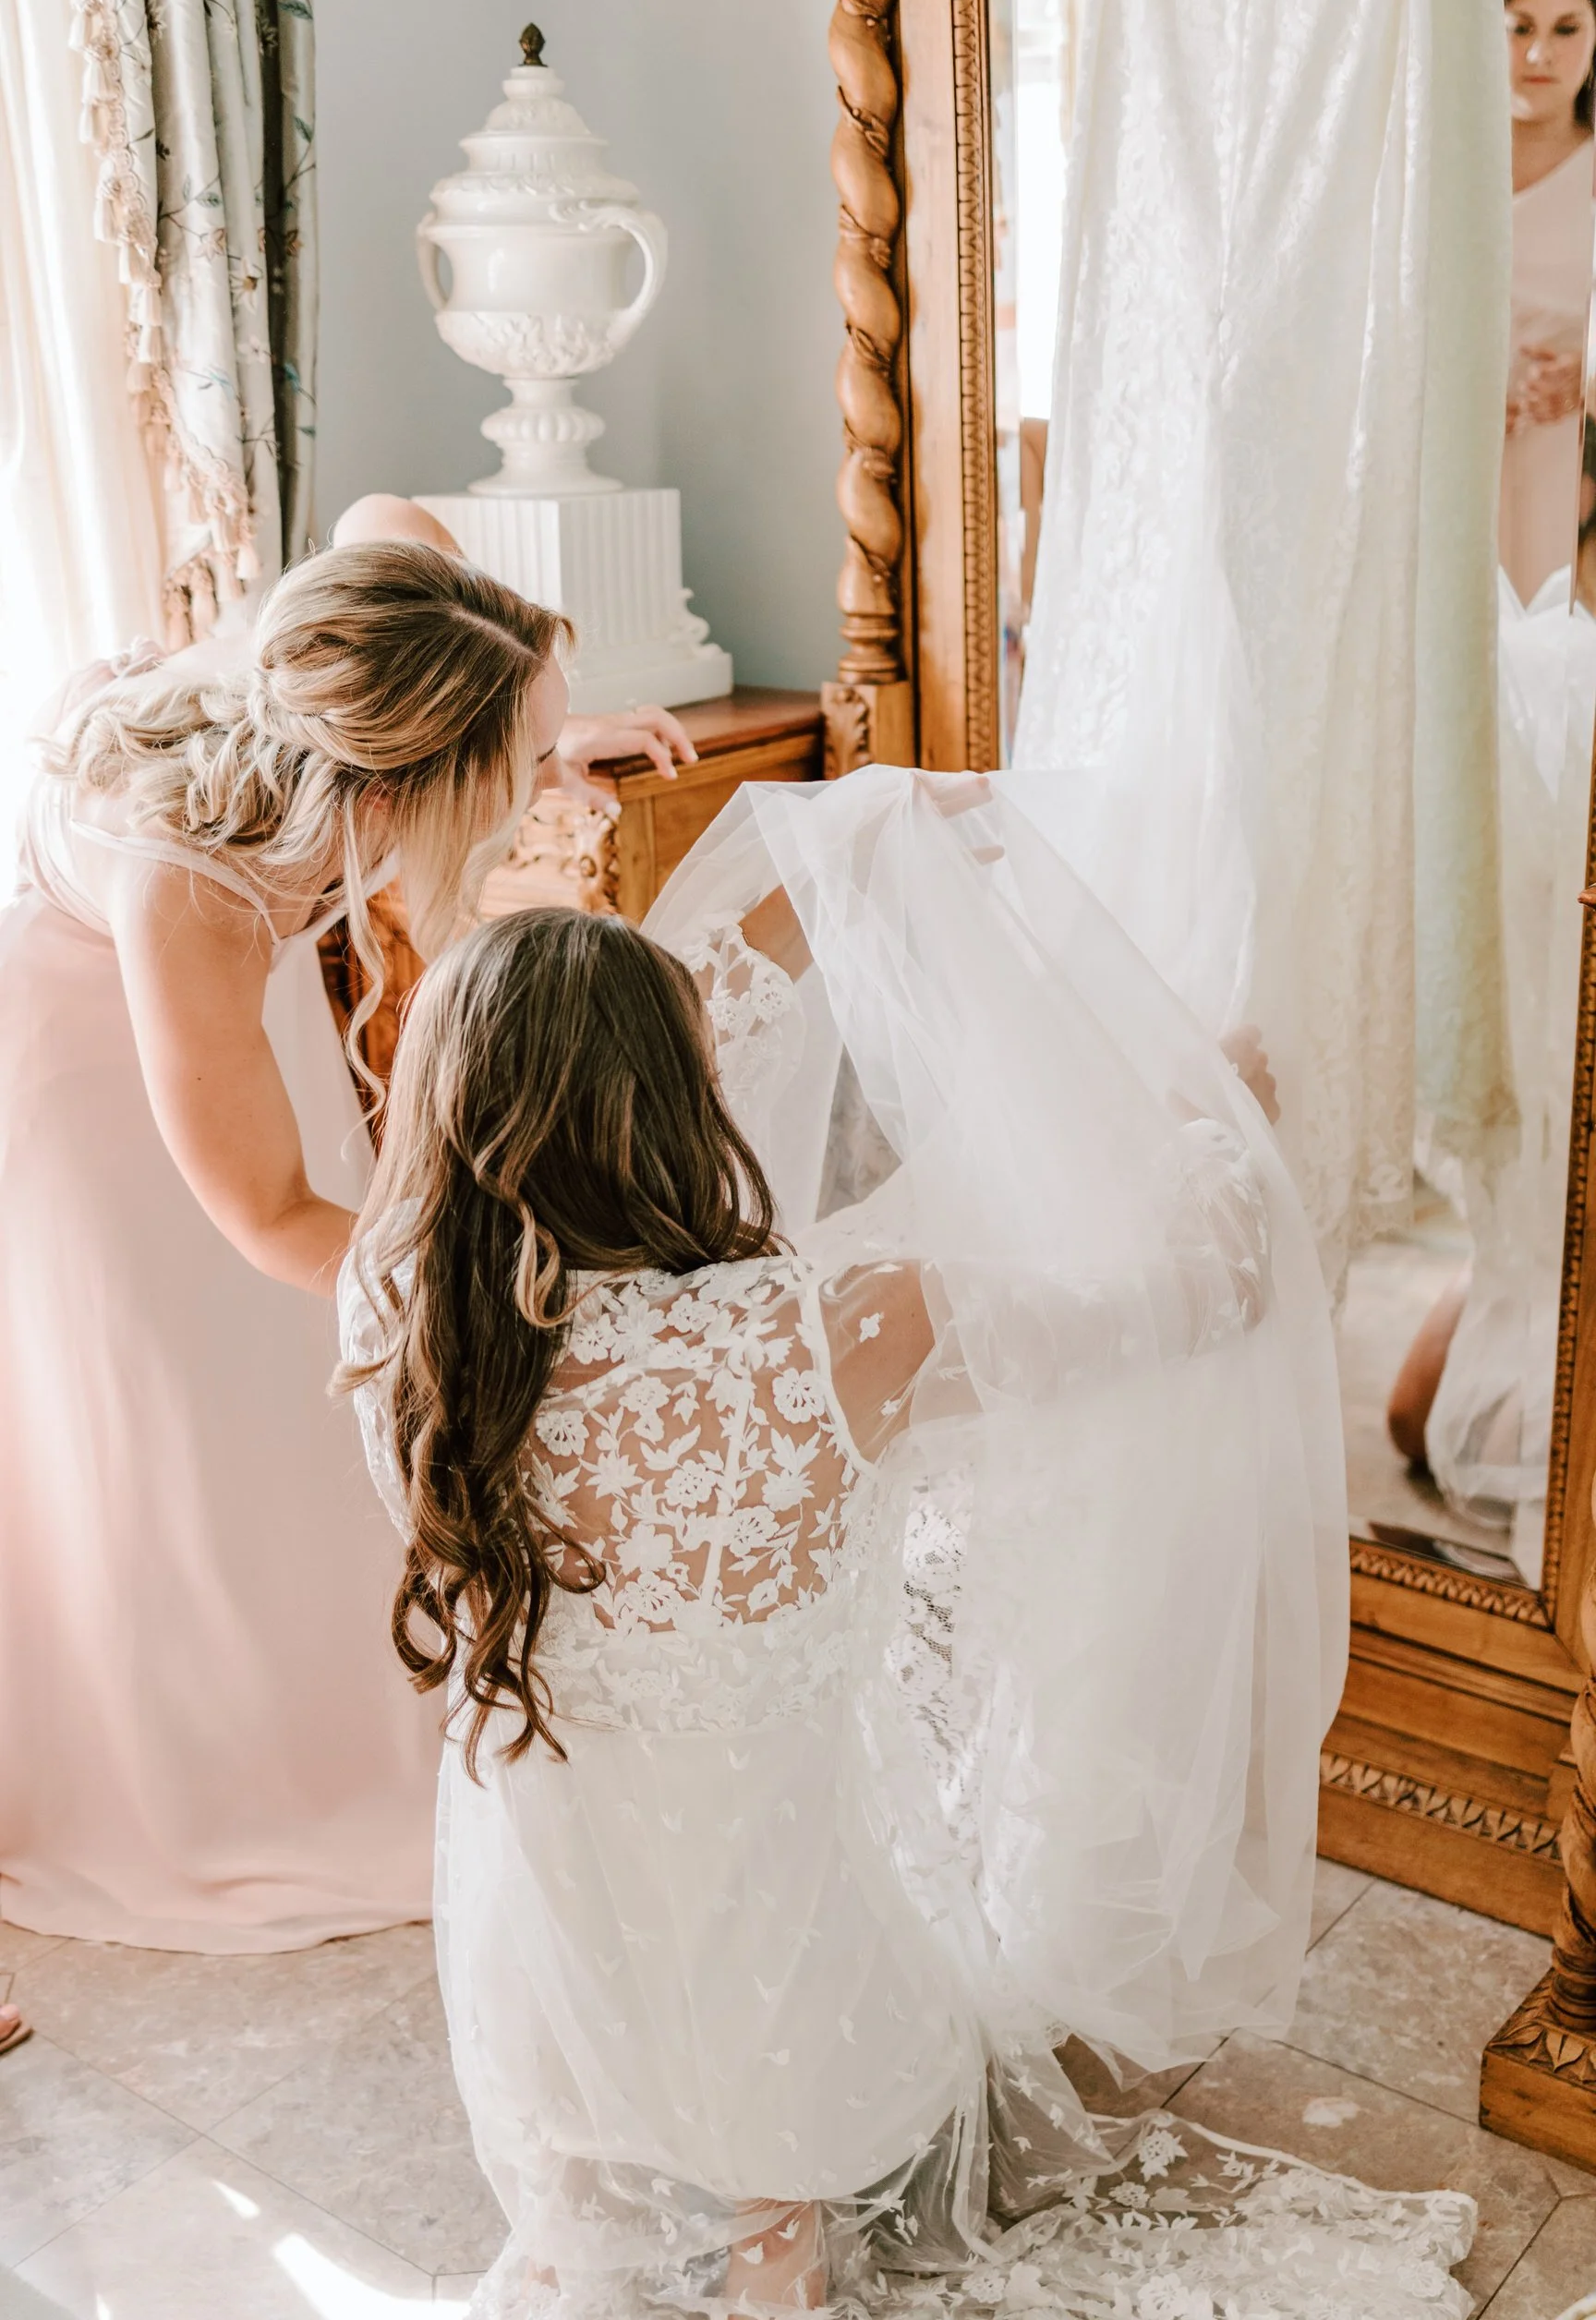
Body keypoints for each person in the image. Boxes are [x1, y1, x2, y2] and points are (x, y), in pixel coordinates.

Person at [341, 768, 1471, 2319]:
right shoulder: (834, 1325)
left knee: (598, 2146)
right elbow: (1197, 1292)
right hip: (792, 1992)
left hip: (544, 1980)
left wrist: (842, 862)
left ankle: (587, 2225)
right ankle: (773, 2246)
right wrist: (1212, 1124)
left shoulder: (405, 1320)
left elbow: (691, 1012)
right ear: (676, 1099)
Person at [0, 511, 695, 1952]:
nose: (542, 782)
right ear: (406, 790)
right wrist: (479, 1297)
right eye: (512, 769)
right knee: (206, 1388)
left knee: (313, 1384)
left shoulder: (374, 621)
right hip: (76, 1055)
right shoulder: (188, 893)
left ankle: (352, 1697)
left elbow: (386, 520)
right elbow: (266, 1212)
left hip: (238, 1015)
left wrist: (547, 738)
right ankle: (211, 1768)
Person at [1500, 0, 1596, 604]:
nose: (1540, 53)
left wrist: (1588, 376)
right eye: (1519, 27)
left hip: (1570, 472)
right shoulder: (1435, 167)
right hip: (1445, 457)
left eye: (1567, 29)